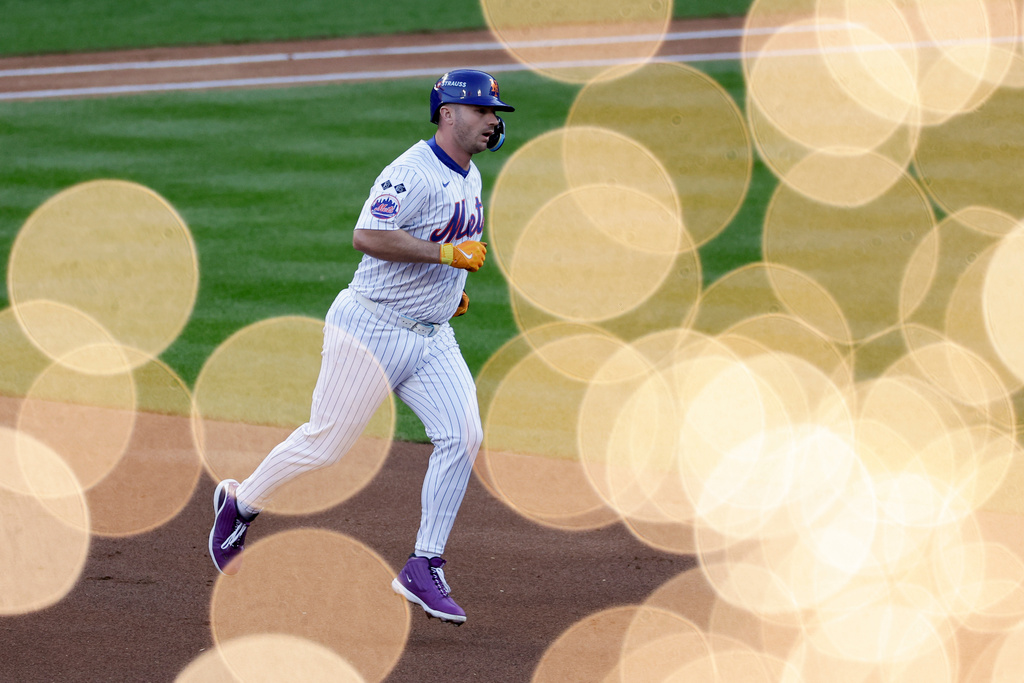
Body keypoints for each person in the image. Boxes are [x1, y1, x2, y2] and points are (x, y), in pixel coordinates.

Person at [208, 69, 515, 625]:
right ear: (448, 114)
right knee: (326, 444)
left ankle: (425, 564)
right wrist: (446, 260)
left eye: (496, 113)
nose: (494, 121)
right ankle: (240, 504)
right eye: (484, 111)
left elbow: (442, 242)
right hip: (370, 330)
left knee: (464, 434)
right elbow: (368, 236)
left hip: (431, 337)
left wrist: (449, 296)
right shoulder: (411, 171)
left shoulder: (468, 174)